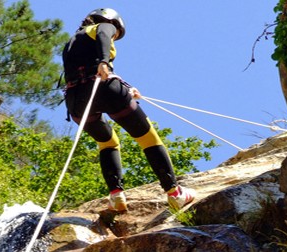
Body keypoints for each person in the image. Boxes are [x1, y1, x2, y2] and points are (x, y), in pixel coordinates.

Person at [62, 8, 195, 213]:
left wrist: (127, 86)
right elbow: (104, 36)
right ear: (110, 21)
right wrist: (104, 61)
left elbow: (84, 71)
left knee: (108, 143)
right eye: (116, 33)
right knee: (147, 137)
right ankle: (174, 193)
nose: (114, 36)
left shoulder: (71, 43)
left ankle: (116, 196)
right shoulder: (103, 26)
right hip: (105, 88)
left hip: (75, 102)